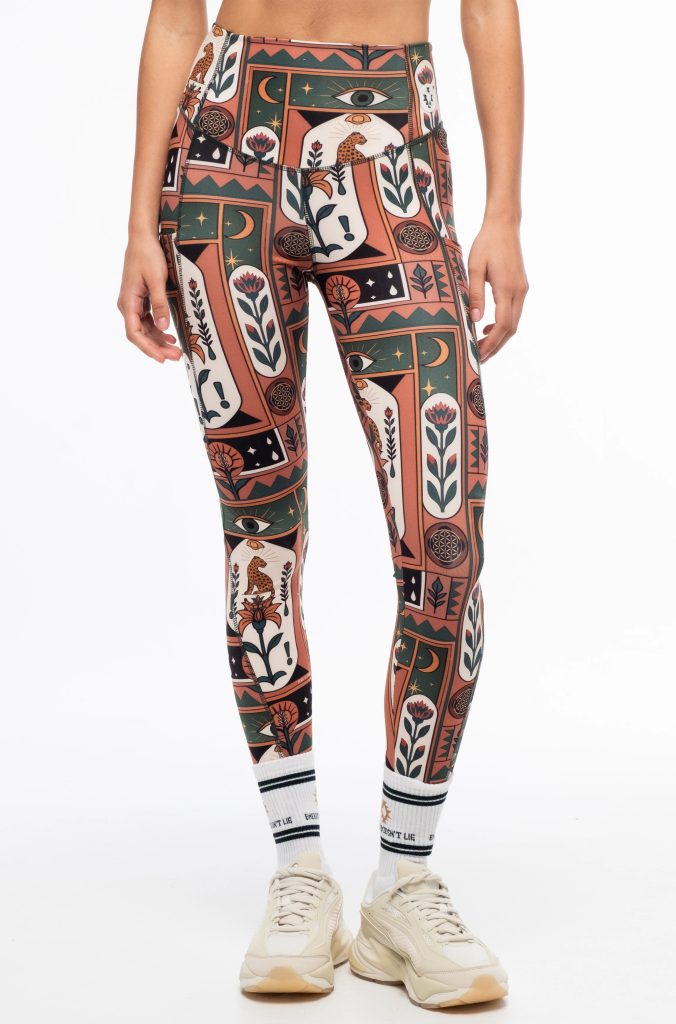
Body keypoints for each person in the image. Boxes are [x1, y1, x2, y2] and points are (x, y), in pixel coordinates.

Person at [118, 0, 528, 1007]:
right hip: (223, 150)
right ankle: (298, 869)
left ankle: (403, 879)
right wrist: (136, 225)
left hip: (392, 148)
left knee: (443, 540)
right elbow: (174, 17)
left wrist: (504, 212)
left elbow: (489, 5)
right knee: (260, 536)